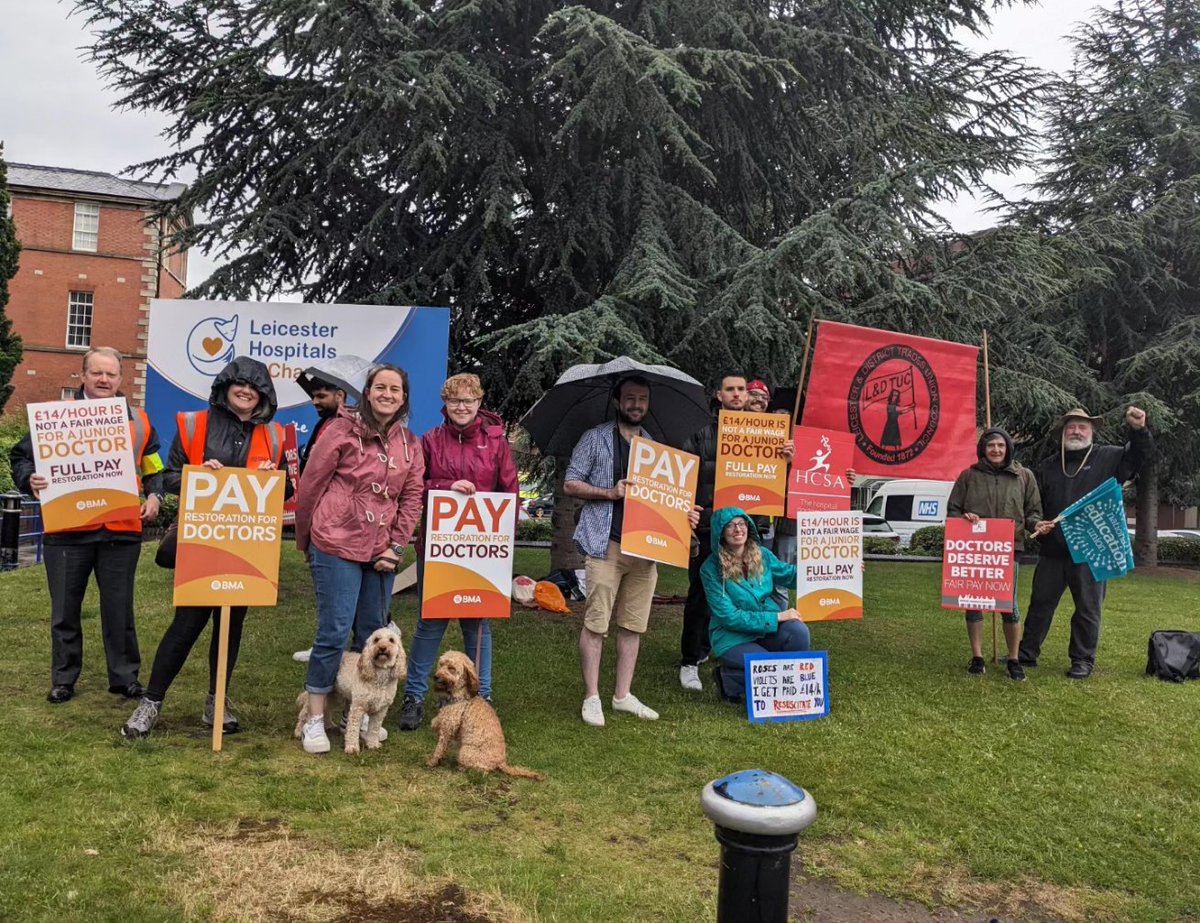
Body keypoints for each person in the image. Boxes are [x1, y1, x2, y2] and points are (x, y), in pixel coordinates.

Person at [121, 357, 285, 739]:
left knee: (231, 627)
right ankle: (151, 703)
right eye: (238, 385)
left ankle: (218, 700)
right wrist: (199, 475)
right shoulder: (195, 424)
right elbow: (170, 475)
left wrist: (273, 479)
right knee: (186, 624)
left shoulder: (275, 435)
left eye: (254, 387)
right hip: (201, 541)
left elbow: (287, 488)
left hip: (247, 547)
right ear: (225, 387)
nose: (246, 392)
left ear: (263, 394)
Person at [10, 347, 164, 704]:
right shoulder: (54, 419)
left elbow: (154, 464)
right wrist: (28, 479)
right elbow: (20, 456)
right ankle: (64, 679)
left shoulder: (139, 420)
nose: (104, 380)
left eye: (110, 374)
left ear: (121, 379)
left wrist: (155, 495)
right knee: (64, 610)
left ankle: (124, 678)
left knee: (119, 608)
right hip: (67, 531)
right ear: (83, 375)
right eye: (97, 373)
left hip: (120, 530)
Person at [294, 363, 425, 754]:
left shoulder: (409, 443)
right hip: (335, 540)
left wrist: (397, 546)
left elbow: (413, 496)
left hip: (381, 548)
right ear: (367, 392)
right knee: (333, 630)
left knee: (372, 629)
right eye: (380, 387)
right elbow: (312, 484)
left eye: (395, 389)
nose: (387, 394)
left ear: (404, 398)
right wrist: (306, 539)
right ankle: (316, 718)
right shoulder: (340, 429)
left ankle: (366, 712)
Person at [565, 375, 698, 726]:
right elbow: (570, 482)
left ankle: (623, 695)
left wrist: (686, 514)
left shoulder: (655, 449)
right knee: (596, 622)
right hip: (605, 544)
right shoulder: (595, 438)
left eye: (642, 399)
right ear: (617, 401)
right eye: (630, 398)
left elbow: (668, 500)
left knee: (633, 624)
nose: (636, 405)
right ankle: (591, 695)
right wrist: (610, 492)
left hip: (645, 549)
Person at [397, 373, 519, 731]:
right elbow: (415, 485)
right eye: (455, 401)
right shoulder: (431, 441)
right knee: (430, 621)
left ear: (480, 403)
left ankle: (482, 698)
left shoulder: (496, 442)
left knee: (478, 624)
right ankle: (415, 697)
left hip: (482, 548)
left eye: (468, 401)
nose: (462, 407)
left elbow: (510, 491)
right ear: (445, 405)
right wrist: (447, 486)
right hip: (439, 546)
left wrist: (504, 541)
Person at [1019, 406, 1152, 679]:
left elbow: (1140, 457)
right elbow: (1034, 504)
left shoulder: (1110, 457)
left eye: (1082, 427)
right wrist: (1037, 523)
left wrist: (1139, 430)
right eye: (1071, 427)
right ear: (1063, 433)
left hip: (1092, 549)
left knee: (1088, 609)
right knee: (1040, 604)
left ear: (1092, 431)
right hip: (1054, 549)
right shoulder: (1048, 465)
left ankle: (1082, 660)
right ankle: (1026, 653)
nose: (1076, 431)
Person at [680, 373, 792, 691]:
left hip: (747, 530)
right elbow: (684, 473)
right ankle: (691, 659)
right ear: (719, 395)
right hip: (707, 527)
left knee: (752, 593)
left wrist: (787, 462)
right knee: (701, 596)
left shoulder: (769, 436)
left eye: (741, 389)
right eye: (730, 389)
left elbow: (779, 485)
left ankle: (736, 647)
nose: (737, 394)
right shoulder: (701, 434)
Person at [947, 427, 1042, 680]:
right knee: (974, 603)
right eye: (991, 445)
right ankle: (977, 657)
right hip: (975, 549)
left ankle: (1013, 658)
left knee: (1008, 605)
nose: (996, 450)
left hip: (1009, 549)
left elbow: (1033, 512)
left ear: (1008, 447)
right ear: (983, 449)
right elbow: (953, 510)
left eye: (1000, 445)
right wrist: (964, 518)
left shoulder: (1024, 476)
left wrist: (1037, 525)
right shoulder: (968, 476)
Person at [701, 507, 811, 702]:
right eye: (730, 526)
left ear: (748, 527)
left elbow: (791, 575)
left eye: (741, 524)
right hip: (733, 637)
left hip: (766, 631)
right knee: (767, 667)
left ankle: (782, 681)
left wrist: (839, 570)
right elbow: (729, 617)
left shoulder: (763, 555)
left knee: (798, 632)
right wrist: (777, 617)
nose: (737, 529)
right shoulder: (710, 569)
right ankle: (729, 679)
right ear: (720, 532)